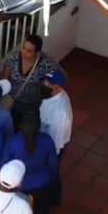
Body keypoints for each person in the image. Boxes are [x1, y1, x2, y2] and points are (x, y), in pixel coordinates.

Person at [0, 113, 57, 214]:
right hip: (42, 184)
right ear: (38, 127)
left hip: (19, 186)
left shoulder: (12, 141)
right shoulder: (47, 141)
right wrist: (50, 179)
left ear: (20, 126)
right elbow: (53, 165)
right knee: (40, 213)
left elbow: (4, 164)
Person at [1, 34, 61, 125]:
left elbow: (61, 77)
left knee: (27, 128)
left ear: (37, 53)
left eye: (29, 51)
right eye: (23, 48)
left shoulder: (46, 64)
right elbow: (5, 79)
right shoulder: (14, 58)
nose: (23, 52)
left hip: (31, 105)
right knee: (9, 124)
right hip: (12, 101)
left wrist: (50, 86)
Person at [39, 68, 73, 205]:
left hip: (53, 146)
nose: (44, 84)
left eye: (49, 84)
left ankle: (53, 198)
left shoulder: (60, 114)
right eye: (45, 81)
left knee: (51, 173)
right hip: (43, 136)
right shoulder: (49, 95)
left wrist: (47, 156)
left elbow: (55, 143)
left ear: (58, 87)